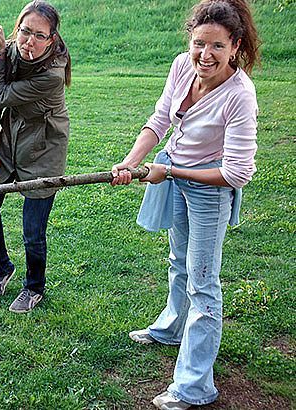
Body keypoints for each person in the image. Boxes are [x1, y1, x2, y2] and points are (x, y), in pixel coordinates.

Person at [111, 0, 260, 408]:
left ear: (235, 46)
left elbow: (236, 173)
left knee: (204, 283)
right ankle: (173, 327)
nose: (205, 55)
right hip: (174, 173)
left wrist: (173, 173)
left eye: (217, 47)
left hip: (210, 189)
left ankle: (195, 386)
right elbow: (160, 119)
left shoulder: (239, 96)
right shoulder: (182, 66)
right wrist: (131, 162)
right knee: (179, 261)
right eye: (199, 44)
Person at [0, 0, 71, 313]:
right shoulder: (13, 51)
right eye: (25, 32)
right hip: (7, 142)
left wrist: (0, 56)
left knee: (32, 231)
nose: (29, 41)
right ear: (17, 29)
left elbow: (1, 94)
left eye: (39, 36)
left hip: (43, 149)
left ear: (52, 39)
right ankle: (1, 269)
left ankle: (33, 288)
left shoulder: (53, 74)